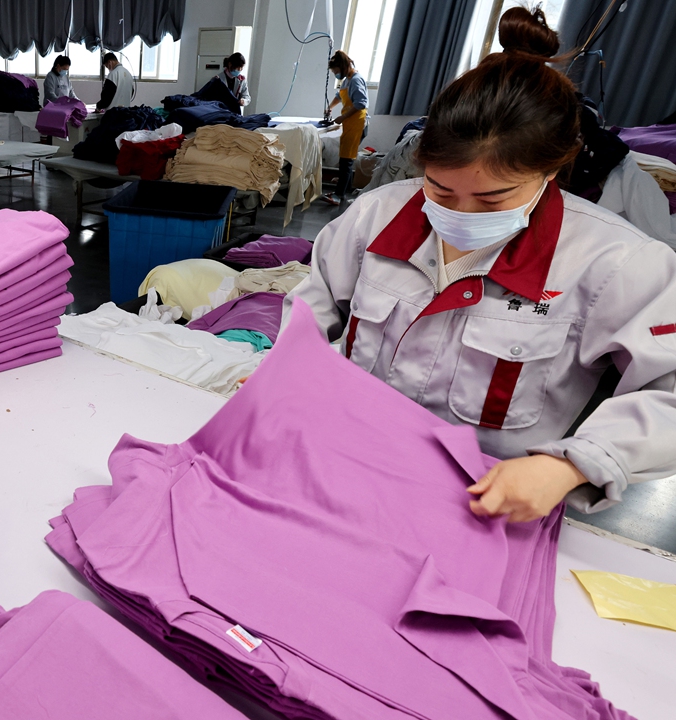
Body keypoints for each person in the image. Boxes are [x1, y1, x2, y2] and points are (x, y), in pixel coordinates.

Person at [287, 40, 676, 523]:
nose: (459, 214)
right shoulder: (376, 215)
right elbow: (313, 308)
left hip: (483, 504)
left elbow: (669, 394)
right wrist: (283, 377)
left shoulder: (615, 263)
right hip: (338, 465)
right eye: (440, 189)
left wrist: (572, 465)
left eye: (493, 199)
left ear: (553, 169)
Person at [323, 50, 367, 206]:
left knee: (346, 161)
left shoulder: (356, 80)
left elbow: (361, 103)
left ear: (342, 66)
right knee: (345, 159)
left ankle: (338, 195)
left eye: (336, 71)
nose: (336, 74)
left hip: (357, 124)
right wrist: (330, 107)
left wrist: (343, 117)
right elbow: (339, 95)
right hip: (350, 124)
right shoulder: (347, 80)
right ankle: (342, 191)